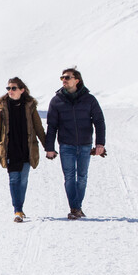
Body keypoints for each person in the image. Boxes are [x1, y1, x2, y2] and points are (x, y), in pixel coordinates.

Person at [45, 67, 106, 220]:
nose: (64, 80)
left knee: (83, 176)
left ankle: (76, 207)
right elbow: (51, 126)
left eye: (67, 77)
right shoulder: (56, 101)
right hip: (66, 145)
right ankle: (75, 208)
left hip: (85, 145)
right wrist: (49, 148)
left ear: (77, 80)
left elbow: (99, 122)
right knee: (70, 177)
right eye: (62, 78)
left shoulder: (89, 99)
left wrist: (100, 144)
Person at [0, 77, 48, 223]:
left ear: (22, 90)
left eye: (13, 88)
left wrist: (48, 147)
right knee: (13, 179)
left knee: (23, 180)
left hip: (27, 148)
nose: (10, 91)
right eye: (8, 88)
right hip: (10, 149)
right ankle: (17, 210)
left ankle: (20, 207)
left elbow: (38, 128)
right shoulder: (2, 107)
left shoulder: (30, 106)